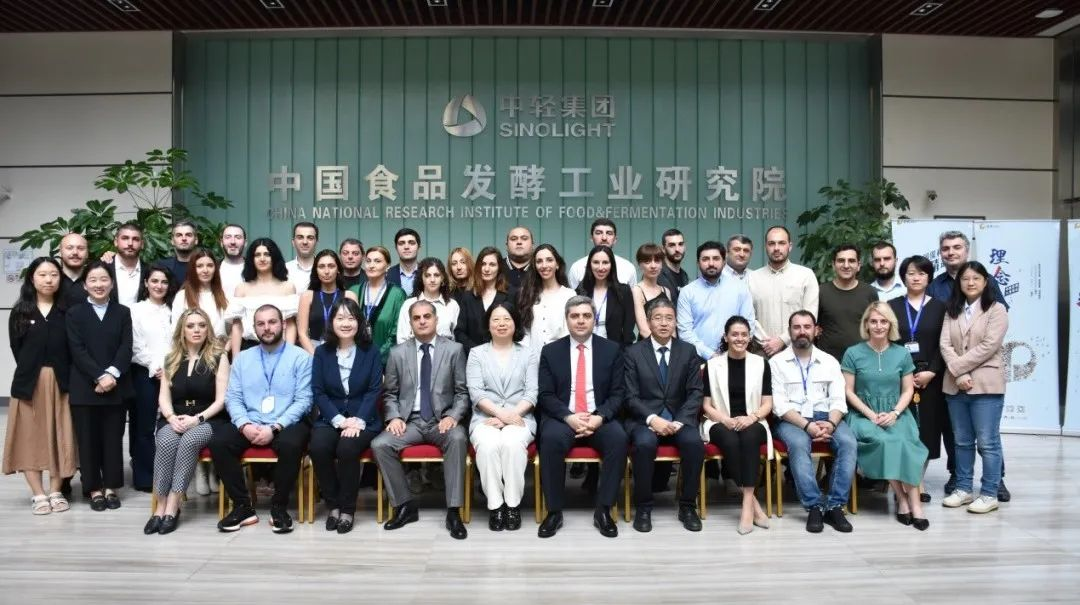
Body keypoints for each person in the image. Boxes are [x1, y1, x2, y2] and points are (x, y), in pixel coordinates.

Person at [372, 300, 470, 540]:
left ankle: (454, 511)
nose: (422, 321)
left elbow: (462, 392)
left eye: (427, 316)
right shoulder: (398, 353)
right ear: (410, 322)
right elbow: (390, 393)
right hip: (410, 421)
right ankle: (405, 505)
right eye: (417, 318)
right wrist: (394, 416)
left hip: (441, 421)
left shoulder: (454, 350)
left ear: (436, 320)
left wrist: (453, 416)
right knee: (380, 445)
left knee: (458, 439)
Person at [211, 304, 313, 533]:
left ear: (283, 325)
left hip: (286, 422)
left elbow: (304, 400)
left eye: (272, 322)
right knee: (219, 442)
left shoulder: (301, 358)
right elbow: (233, 397)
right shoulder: (242, 359)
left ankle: (279, 507)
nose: (267, 328)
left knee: (291, 443)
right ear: (254, 328)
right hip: (250, 420)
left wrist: (275, 427)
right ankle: (242, 506)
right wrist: (244, 424)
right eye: (261, 323)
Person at [927, 230, 1010, 501]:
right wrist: (957, 371)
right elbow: (943, 341)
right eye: (946, 248)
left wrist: (959, 368)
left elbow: (990, 343)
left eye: (957, 247)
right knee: (959, 438)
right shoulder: (942, 295)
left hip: (983, 380)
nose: (951, 252)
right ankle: (961, 483)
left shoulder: (994, 304)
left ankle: (992, 486)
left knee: (987, 440)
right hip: (953, 381)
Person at [536, 296, 627, 538]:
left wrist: (599, 417)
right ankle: (554, 511)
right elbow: (545, 395)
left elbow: (619, 393)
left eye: (586, 316)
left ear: (594, 319)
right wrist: (569, 417)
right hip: (564, 417)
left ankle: (604, 510)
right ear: (566, 319)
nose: (580, 321)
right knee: (550, 440)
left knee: (618, 439)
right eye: (575, 316)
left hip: (599, 416)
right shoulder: (550, 351)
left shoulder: (612, 349)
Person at [841, 302, 929, 530]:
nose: (879, 326)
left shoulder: (901, 353)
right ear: (866, 325)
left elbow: (908, 390)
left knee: (904, 442)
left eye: (883, 321)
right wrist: (870, 414)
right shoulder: (853, 353)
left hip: (897, 413)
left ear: (891, 325)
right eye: (873, 321)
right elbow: (848, 391)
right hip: (863, 415)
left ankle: (914, 504)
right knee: (885, 441)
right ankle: (903, 498)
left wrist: (895, 412)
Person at [145, 308, 230, 535]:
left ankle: (173, 506)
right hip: (175, 417)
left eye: (202, 325)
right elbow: (164, 397)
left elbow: (222, 400)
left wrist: (197, 419)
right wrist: (171, 417)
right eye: (190, 326)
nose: (196, 330)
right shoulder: (171, 358)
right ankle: (159, 507)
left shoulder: (219, 357)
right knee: (165, 441)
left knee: (189, 441)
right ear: (182, 330)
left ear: (208, 329)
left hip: (208, 419)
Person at [623, 297, 704, 533]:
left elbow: (695, 392)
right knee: (644, 444)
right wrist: (653, 419)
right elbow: (630, 396)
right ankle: (643, 507)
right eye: (657, 318)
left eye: (669, 318)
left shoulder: (687, 351)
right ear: (648, 322)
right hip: (644, 420)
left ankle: (687, 506)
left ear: (676, 322)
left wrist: (679, 421)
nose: (664, 323)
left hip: (679, 419)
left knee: (694, 443)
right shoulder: (633, 353)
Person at [770, 310, 856, 533]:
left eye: (807, 327)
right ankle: (814, 506)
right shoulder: (776, 363)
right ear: (789, 331)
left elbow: (838, 399)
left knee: (848, 443)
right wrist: (807, 426)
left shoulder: (829, 361)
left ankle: (835, 506)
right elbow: (779, 405)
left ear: (816, 331)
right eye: (797, 327)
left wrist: (832, 424)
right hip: (792, 420)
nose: (802, 331)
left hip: (827, 417)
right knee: (799, 444)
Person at [3, 257, 75, 515]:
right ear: (32, 278)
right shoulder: (21, 311)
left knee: (61, 436)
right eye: (42, 274)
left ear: (60, 279)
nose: (48, 280)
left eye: (54, 274)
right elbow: (17, 349)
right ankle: (38, 493)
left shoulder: (68, 310)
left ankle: (56, 491)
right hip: (29, 383)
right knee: (29, 438)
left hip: (62, 383)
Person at [310, 299, 383, 534]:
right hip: (331, 418)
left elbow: (374, 390)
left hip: (365, 418)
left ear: (359, 322)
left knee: (347, 448)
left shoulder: (371, 351)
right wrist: (339, 421)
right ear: (331, 322)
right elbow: (318, 392)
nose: (345, 323)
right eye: (340, 318)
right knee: (318, 447)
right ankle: (333, 505)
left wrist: (358, 421)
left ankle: (348, 510)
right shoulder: (322, 352)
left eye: (351, 318)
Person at [67, 261, 133, 511]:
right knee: (87, 440)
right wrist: (98, 376)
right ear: (85, 285)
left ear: (112, 283)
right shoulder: (74, 313)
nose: (99, 284)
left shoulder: (122, 312)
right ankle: (93, 489)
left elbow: (126, 347)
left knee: (113, 439)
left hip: (116, 385)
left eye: (104, 279)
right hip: (85, 387)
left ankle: (112, 487)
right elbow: (77, 349)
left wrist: (111, 374)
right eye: (93, 280)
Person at [466, 302, 537, 531]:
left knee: (511, 443)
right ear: (488, 324)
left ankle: (513, 505)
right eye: (496, 319)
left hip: (520, 417)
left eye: (507, 319)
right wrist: (500, 413)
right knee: (488, 445)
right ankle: (496, 506)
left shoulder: (528, 353)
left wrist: (510, 416)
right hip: (485, 418)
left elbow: (532, 393)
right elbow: (476, 392)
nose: (501, 324)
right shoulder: (476, 353)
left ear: (515, 323)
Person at [701, 315, 773, 535]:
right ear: (726, 337)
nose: (739, 338)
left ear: (750, 337)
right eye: (734, 334)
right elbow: (706, 405)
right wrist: (725, 419)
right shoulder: (712, 365)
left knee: (750, 438)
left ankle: (746, 505)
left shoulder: (761, 363)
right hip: (720, 420)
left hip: (753, 419)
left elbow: (768, 403)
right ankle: (754, 505)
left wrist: (751, 417)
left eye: (744, 334)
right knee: (730, 440)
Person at [888, 255, 949, 503]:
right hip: (899, 378)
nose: (916, 278)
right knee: (903, 431)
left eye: (921, 273)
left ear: (929, 278)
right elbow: (887, 341)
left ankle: (917, 481)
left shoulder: (941, 307)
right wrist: (903, 374)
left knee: (927, 431)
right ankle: (908, 483)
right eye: (911, 273)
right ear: (903, 277)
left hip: (931, 379)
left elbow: (945, 344)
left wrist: (931, 371)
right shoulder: (892, 306)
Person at [129, 264, 177, 492]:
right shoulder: (135, 310)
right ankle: (145, 478)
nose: (159, 286)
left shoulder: (174, 310)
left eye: (164, 282)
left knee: (170, 424)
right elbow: (135, 345)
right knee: (144, 427)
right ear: (146, 283)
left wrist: (170, 368)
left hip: (174, 374)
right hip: (145, 373)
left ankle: (172, 475)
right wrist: (156, 367)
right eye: (154, 281)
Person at [676, 241, 756, 360]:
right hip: (697, 360)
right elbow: (685, 332)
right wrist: (710, 355)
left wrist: (732, 353)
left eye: (716, 258)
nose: (711, 263)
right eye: (705, 259)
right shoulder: (687, 292)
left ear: (724, 262)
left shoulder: (740, 288)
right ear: (698, 263)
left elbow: (749, 325)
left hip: (735, 357)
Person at [748, 225, 819, 358]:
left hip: (797, 349)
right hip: (762, 351)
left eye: (781, 243)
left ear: (789, 246)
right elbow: (749, 316)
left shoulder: (806, 275)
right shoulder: (752, 278)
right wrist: (766, 342)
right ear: (765, 247)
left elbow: (810, 315)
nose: (776, 248)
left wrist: (782, 340)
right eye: (771, 243)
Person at [225, 238, 299, 358]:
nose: (262, 258)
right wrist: (236, 358)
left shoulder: (288, 287)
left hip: (280, 350)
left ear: (274, 257)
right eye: (257, 255)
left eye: (267, 254)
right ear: (251, 259)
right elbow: (237, 327)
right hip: (249, 349)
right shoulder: (242, 289)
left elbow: (290, 326)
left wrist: (288, 356)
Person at [816, 244, 878, 362]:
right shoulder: (821, 292)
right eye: (841, 261)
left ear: (858, 265)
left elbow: (875, 325)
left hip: (863, 360)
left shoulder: (869, 292)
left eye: (851, 261)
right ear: (833, 265)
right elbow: (812, 325)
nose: (846, 265)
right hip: (828, 361)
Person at [348, 245, 407, 366]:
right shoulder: (353, 291)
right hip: (353, 360)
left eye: (377, 261)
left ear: (388, 266)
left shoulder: (397, 294)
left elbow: (396, 333)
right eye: (368, 261)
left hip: (385, 362)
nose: (371, 265)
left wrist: (375, 358)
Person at [297, 250, 358, 355]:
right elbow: (302, 333)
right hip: (313, 349)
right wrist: (316, 357)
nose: (326, 271)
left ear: (338, 269)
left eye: (331, 266)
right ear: (316, 270)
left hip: (343, 349)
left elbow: (355, 329)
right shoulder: (307, 296)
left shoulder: (349, 295)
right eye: (321, 267)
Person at [517, 244, 576, 352]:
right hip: (533, 357)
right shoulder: (527, 294)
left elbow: (570, 332)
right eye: (539, 261)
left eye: (549, 260)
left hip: (559, 355)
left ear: (557, 264)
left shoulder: (569, 295)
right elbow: (526, 333)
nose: (544, 265)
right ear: (535, 266)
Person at [455, 246, 511, 354]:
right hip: (473, 356)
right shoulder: (468, 297)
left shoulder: (511, 294)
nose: (486, 269)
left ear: (499, 267)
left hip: (503, 356)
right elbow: (459, 332)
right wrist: (478, 352)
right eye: (483, 264)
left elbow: (516, 330)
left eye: (492, 264)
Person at [576, 246, 635, 347]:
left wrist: (625, 351)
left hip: (615, 349)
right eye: (596, 262)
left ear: (612, 265)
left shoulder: (623, 291)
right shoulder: (581, 291)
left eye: (605, 262)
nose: (600, 268)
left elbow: (628, 327)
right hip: (586, 348)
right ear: (589, 264)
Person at [396, 257, 460, 343]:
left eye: (436, 275)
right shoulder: (408, 304)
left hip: (445, 350)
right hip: (413, 350)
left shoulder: (452, 305)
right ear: (421, 279)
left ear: (442, 278)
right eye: (427, 275)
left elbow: (456, 340)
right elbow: (401, 340)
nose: (432, 280)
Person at [171, 248, 229, 341]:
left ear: (215, 268)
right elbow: (176, 331)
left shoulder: (225, 294)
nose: (205, 270)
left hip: (220, 348)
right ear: (192, 269)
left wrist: (225, 348)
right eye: (199, 266)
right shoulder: (182, 296)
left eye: (210, 265)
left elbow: (232, 330)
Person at [567, 219, 637, 289]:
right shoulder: (577, 267)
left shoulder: (628, 268)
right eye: (598, 233)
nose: (604, 238)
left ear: (615, 239)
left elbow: (632, 295)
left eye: (609, 233)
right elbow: (573, 295)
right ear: (591, 238)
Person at [631, 243, 672, 340]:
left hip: (668, 344)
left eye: (657, 261)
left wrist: (673, 346)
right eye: (647, 262)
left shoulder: (666, 291)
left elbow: (671, 324)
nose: (653, 266)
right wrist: (662, 345)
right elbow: (643, 330)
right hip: (647, 343)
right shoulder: (637, 290)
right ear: (640, 265)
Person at [111, 222, 147, 307]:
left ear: (142, 244)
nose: (130, 243)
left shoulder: (149, 271)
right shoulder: (103, 267)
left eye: (135, 239)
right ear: (116, 242)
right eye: (125, 238)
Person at [158, 220, 199, 285]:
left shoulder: (206, 267)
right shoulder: (162, 266)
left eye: (188, 235)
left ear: (196, 240)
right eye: (179, 235)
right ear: (172, 241)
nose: (184, 238)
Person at [657, 228, 689, 307]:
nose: (677, 249)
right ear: (663, 249)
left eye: (680, 244)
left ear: (685, 246)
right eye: (672, 245)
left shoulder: (684, 275)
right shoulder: (657, 274)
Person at [285, 221, 319, 294]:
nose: (305, 242)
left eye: (310, 238)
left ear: (316, 242)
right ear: (293, 242)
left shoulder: (326, 270)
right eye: (300, 237)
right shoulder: (284, 270)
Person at [386, 228, 421, 294]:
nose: (406, 247)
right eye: (401, 243)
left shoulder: (427, 273)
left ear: (419, 247)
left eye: (411, 243)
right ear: (396, 248)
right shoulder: (386, 275)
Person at [58, 232, 89, 307]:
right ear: (60, 252)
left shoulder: (96, 281)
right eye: (69, 248)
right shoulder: (51, 281)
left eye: (81, 248)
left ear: (87, 253)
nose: (75, 252)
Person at [218, 224, 247, 298]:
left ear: (245, 242)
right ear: (221, 242)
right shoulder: (213, 268)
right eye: (228, 237)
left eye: (238, 237)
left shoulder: (254, 268)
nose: (233, 242)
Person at [503, 226, 534, 292]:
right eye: (513, 239)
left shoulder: (542, 269)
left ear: (532, 245)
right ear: (507, 246)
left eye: (524, 238)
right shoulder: (496, 268)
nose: (519, 242)